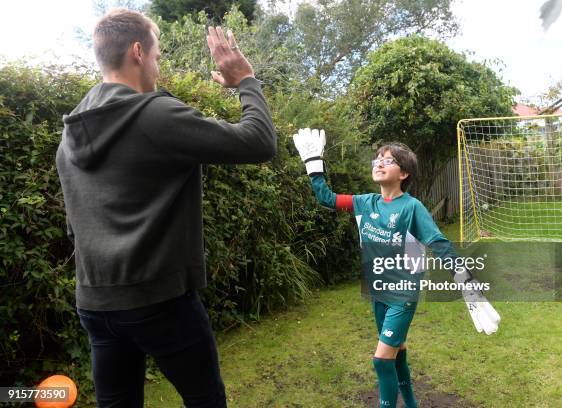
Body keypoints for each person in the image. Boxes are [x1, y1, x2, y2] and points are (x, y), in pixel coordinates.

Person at [56, 8, 276, 408]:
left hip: (94, 302)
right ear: (138, 51)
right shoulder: (155, 115)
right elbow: (259, 141)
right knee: (206, 400)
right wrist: (245, 80)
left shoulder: (72, 131)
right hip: (158, 302)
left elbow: (76, 225)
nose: (157, 67)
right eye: (156, 56)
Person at [292, 129, 500, 408]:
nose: (379, 163)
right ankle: (411, 404)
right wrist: (313, 162)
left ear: (404, 173)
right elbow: (326, 198)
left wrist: (465, 280)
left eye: (388, 160)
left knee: (381, 360)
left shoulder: (411, 207)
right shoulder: (365, 203)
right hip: (378, 292)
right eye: (377, 159)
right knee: (397, 352)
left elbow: (438, 243)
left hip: (402, 294)